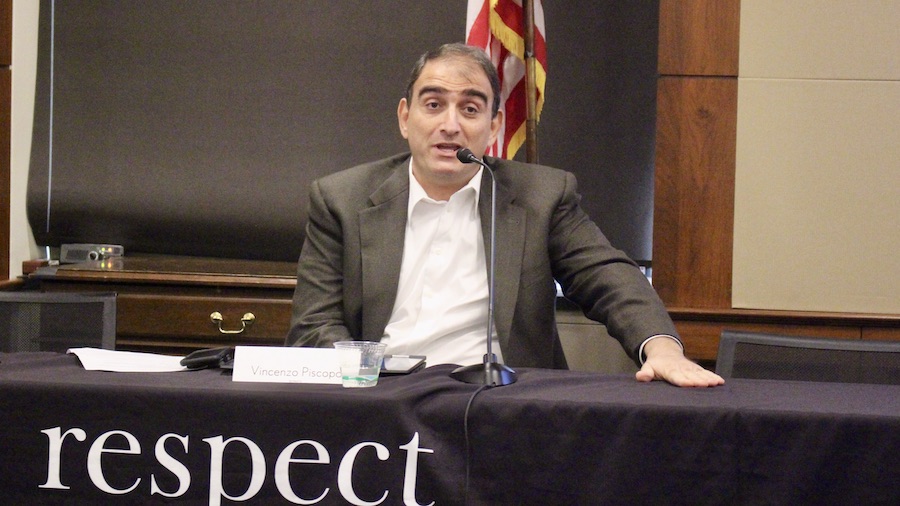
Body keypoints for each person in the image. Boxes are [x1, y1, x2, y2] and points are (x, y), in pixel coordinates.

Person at [286, 43, 724, 388]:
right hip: (382, 402)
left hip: (503, 405)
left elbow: (609, 277)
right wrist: (375, 377)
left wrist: (661, 347)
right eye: (433, 105)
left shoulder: (541, 196)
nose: (451, 125)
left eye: (471, 109)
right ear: (406, 117)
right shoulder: (341, 199)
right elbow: (313, 326)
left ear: (494, 127)